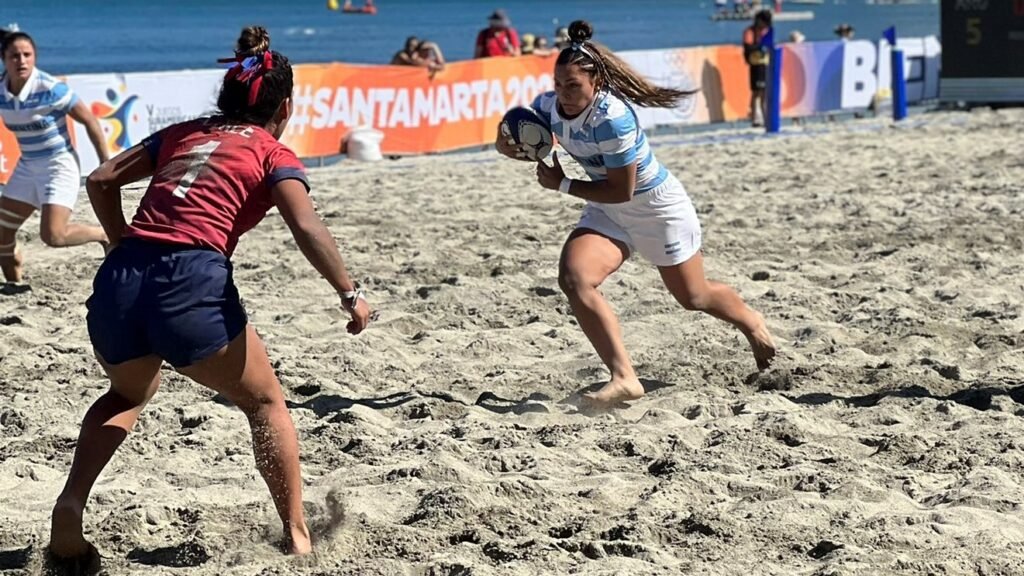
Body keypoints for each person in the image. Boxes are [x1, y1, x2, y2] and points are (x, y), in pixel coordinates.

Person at [46, 26, 372, 568]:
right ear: (285, 106)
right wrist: (349, 292)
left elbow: (101, 179)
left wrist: (120, 239)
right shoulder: (272, 151)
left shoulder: (182, 133)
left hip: (122, 280)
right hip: (190, 279)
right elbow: (307, 225)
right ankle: (297, 536)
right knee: (266, 403)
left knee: (125, 397)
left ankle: (71, 503)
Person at [495, 20, 776, 408]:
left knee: (694, 296)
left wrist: (562, 184)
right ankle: (624, 377)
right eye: (558, 83)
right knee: (574, 279)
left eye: (573, 85)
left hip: (656, 209)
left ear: (597, 84)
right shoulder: (549, 106)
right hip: (609, 212)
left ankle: (751, 322)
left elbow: (621, 189)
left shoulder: (612, 118)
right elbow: (510, 136)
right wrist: (508, 143)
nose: (563, 93)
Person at [0, 30, 110, 283]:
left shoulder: (51, 88)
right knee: (2, 237)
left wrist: (107, 164)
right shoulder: (1, 90)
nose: (22, 61)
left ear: (35, 57)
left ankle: (102, 234)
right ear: (4, 59)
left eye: (27, 55)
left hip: (59, 165)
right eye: (14, 56)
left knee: (54, 236)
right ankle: (14, 284)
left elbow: (90, 121)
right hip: (27, 166)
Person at [743, 10, 772, 127]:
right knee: (756, 92)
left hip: (765, 63)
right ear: (759, 20)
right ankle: (755, 118)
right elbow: (747, 48)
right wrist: (759, 47)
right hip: (755, 64)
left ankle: (766, 117)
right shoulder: (750, 32)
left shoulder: (767, 31)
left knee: (765, 92)